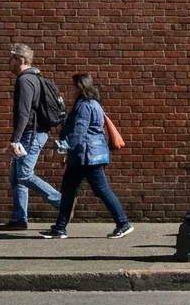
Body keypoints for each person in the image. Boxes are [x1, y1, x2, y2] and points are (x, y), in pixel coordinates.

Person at [41, 74, 132, 239]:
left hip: (88, 157)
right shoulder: (92, 104)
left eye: (73, 86)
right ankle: (60, 228)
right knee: (68, 191)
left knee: (102, 190)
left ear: (79, 87)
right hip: (82, 157)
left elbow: (79, 132)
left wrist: (64, 146)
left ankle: (123, 223)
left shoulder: (84, 106)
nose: (70, 89)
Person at [3, 44, 61, 230]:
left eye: (11, 58)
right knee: (16, 175)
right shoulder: (35, 77)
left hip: (31, 133)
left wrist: (16, 139)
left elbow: (23, 112)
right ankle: (19, 218)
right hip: (34, 132)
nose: (9, 62)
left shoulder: (25, 80)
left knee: (24, 174)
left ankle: (62, 202)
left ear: (20, 60)